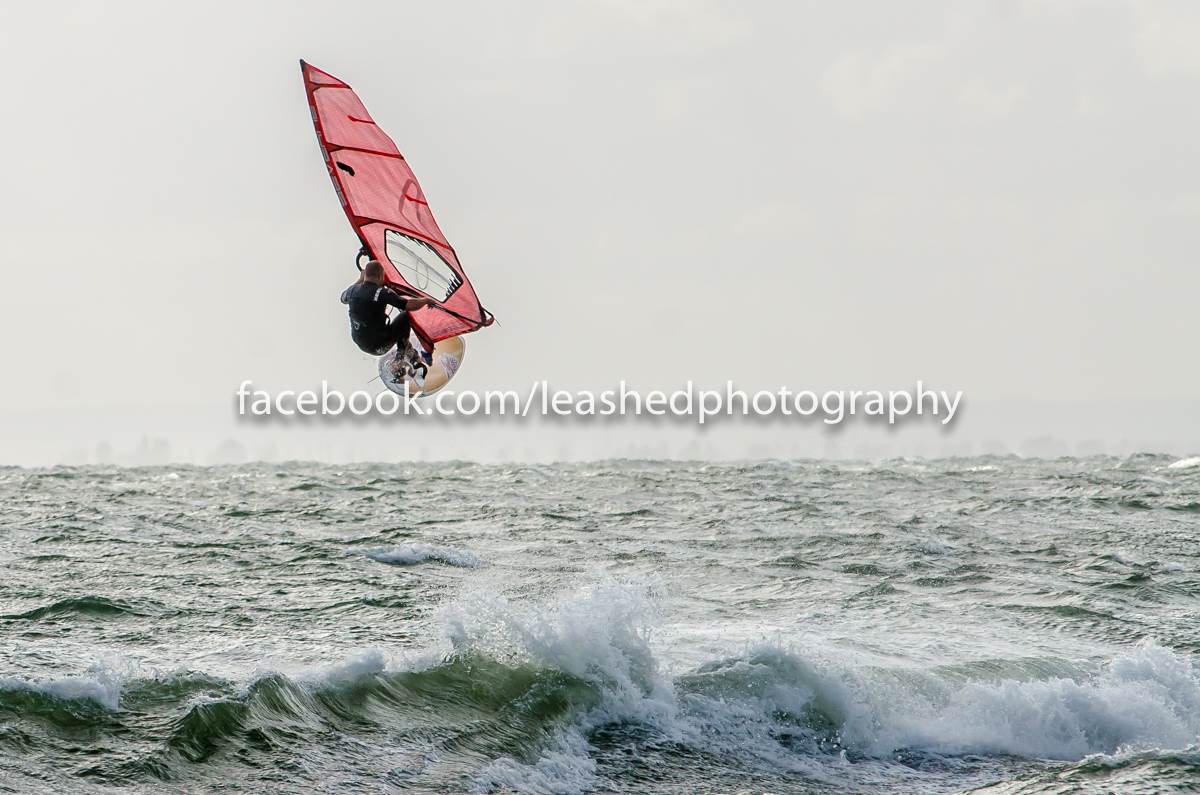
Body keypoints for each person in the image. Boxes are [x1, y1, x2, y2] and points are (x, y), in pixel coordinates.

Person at [340, 260, 435, 358]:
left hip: (360, 344)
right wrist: (425, 300)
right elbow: (409, 305)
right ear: (380, 276)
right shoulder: (382, 293)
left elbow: (342, 299)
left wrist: (360, 279)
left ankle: (405, 353)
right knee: (406, 316)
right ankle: (404, 352)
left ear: (365, 276)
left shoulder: (352, 290)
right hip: (379, 346)